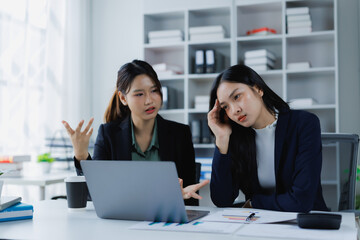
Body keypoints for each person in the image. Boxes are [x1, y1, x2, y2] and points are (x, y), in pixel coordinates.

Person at [62, 60, 208, 206]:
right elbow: (93, 194)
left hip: (167, 221)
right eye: (139, 94)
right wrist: (81, 155)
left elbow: (190, 195)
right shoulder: (109, 134)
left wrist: (183, 197)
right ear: (123, 98)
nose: (149, 100)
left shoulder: (180, 134)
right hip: (123, 222)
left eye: (154, 90)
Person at [207, 64, 328, 212]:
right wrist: (221, 139)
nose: (235, 110)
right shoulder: (237, 136)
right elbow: (222, 200)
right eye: (226, 107)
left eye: (237, 96)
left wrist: (254, 203)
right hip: (259, 224)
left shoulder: (303, 124)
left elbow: (301, 201)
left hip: (305, 223)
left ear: (258, 89)